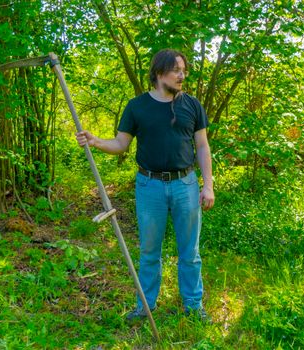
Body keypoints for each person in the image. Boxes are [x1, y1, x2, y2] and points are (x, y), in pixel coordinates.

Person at [76, 48, 214, 322]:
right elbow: (120, 144)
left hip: (185, 184)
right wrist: (95, 141)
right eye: (176, 69)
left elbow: (202, 146)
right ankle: (145, 307)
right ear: (159, 72)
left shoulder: (192, 105)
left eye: (184, 70)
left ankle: (193, 306)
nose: (182, 75)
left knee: (190, 252)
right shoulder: (137, 106)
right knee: (150, 251)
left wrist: (207, 185)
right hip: (149, 186)